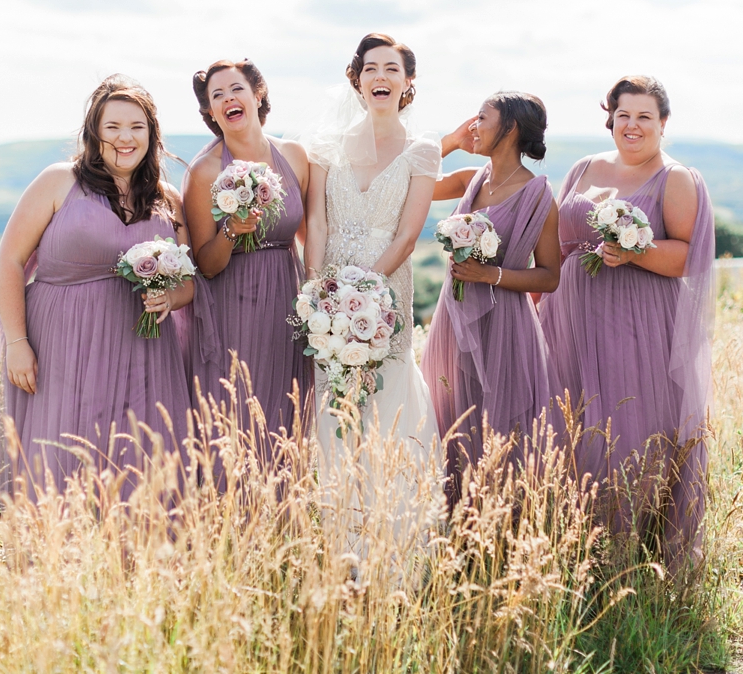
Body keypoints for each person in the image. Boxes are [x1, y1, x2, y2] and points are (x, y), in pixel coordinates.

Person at [0, 74, 196, 500]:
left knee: (139, 461)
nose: (126, 138)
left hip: (143, 353)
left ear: (152, 135)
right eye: (113, 127)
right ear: (94, 133)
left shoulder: (167, 199)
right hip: (62, 348)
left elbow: (189, 283)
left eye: (137, 127)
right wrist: (16, 341)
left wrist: (170, 296)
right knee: (63, 457)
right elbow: (9, 261)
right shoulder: (58, 181)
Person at [538, 75, 715, 560]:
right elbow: (556, 242)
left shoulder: (675, 178)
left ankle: (625, 550)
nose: (632, 126)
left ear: (663, 123)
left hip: (636, 322)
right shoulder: (584, 167)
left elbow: (686, 256)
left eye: (644, 117)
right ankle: (573, 543)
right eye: (623, 116)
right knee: (571, 423)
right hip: (570, 319)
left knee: (625, 427)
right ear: (610, 119)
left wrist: (634, 251)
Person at [302, 32, 453, 492]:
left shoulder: (422, 150)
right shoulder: (326, 146)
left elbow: (409, 236)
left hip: (387, 290)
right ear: (357, 80)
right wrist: (318, 294)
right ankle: (339, 525)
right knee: (334, 401)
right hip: (328, 294)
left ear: (408, 82)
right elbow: (317, 224)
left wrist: (365, 290)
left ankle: (391, 528)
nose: (381, 76)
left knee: (388, 393)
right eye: (371, 68)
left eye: (392, 69)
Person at [424, 92, 561, 503]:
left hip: (505, 325)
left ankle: (500, 525)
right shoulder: (472, 178)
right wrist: (449, 143)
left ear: (511, 128)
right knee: (453, 414)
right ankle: (456, 522)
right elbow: (410, 188)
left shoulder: (538, 196)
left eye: (482, 118)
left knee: (501, 430)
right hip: (453, 320)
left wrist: (491, 274)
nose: (474, 125)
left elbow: (550, 275)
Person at [185, 59, 312, 470]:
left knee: (283, 421)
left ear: (258, 94)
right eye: (216, 96)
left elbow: (309, 236)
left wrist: (320, 296)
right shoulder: (204, 171)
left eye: (235, 89)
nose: (227, 100)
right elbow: (205, 264)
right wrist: (231, 232)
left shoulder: (293, 155)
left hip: (287, 303)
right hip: (232, 308)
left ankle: (281, 526)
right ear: (210, 112)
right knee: (236, 418)